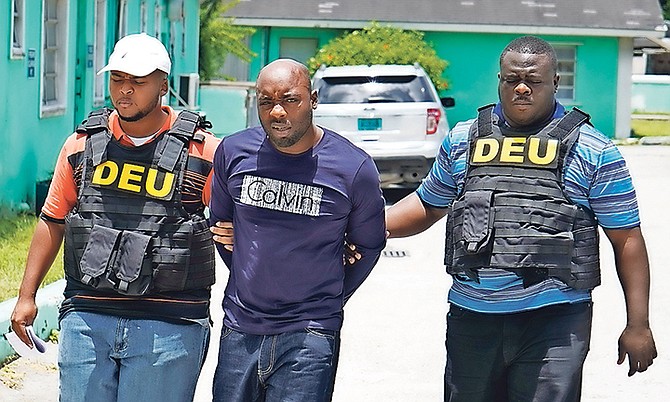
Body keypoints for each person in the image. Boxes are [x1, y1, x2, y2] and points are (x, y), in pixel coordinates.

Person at [383, 35, 658, 401]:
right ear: (499, 80)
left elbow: (626, 239)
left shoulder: (594, 150)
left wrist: (638, 324)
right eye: (511, 80)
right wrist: (363, 225)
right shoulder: (463, 139)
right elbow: (427, 206)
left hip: (555, 321)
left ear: (556, 83)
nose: (522, 88)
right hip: (472, 316)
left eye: (534, 80)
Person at [9, 33, 220, 402]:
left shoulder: (202, 152)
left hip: (170, 322)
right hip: (88, 315)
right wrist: (26, 297)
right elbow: (52, 220)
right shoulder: (81, 145)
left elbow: (237, 226)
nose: (125, 90)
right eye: (117, 79)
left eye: (138, 82)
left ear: (164, 85)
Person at [208, 58, 386, 402]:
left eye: (290, 99)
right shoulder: (233, 152)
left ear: (313, 100)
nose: (277, 112)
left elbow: (368, 247)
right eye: (266, 102)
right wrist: (253, 272)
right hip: (240, 327)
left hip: (311, 333)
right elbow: (223, 230)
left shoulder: (353, 168)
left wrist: (328, 295)